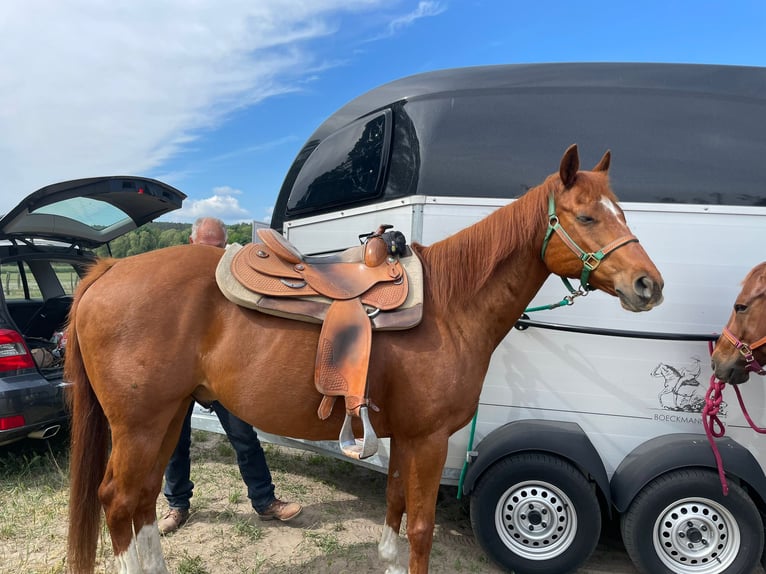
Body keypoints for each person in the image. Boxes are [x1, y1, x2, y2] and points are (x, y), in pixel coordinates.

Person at [158, 216, 302, 534]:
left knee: (244, 438)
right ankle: (177, 505)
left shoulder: (235, 278)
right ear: (191, 244)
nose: (213, 255)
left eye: (220, 248)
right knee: (174, 443)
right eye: (206, 248)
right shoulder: (175, 282)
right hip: (182, 371)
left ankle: (265, 502)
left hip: (221, 372)